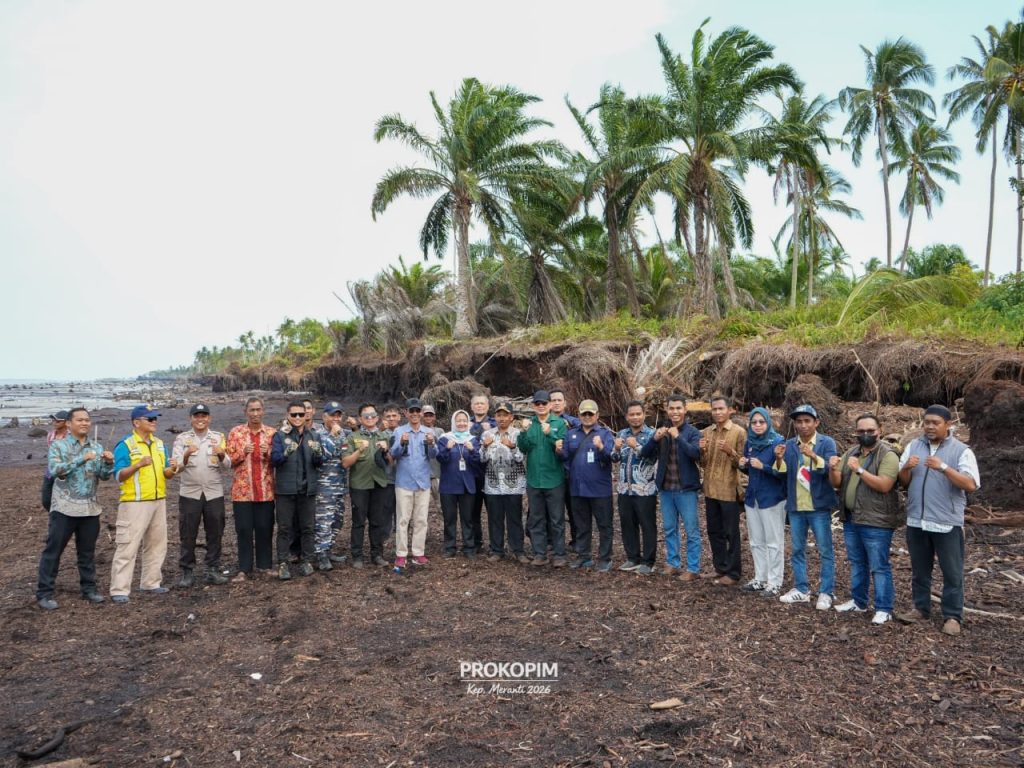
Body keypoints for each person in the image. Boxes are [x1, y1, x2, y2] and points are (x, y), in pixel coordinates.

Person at [896, 404, 980, 636]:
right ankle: (920, 608)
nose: (930, 427)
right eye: (927, 422)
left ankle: (952, 616)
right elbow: (904, 481)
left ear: (948, 425)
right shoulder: (914, 446)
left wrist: (943, 467)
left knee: (952, 572)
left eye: (936, 423)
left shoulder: (961, 451)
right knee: (920, 570)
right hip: (917, 520)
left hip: (946, 522)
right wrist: (906, 468)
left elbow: (970, 484)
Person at [36, 407, 114, 609]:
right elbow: (55, 470)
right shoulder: (59, 446)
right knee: (54, 550)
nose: (84, 423)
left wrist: (108, 463)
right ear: (69, 424)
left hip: (90, 508)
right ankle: (44, 593)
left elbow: (103, 476)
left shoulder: (96, 447)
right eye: (79, 420)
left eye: (87, 420)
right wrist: (82, 458)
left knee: (87, 552)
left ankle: (89, 589)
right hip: (64, 507)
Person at [828, 413, 902, 625]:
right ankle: (859, 601)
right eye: (861, 431)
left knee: (879, 565)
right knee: (857, 562)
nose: (866, 434)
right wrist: (832, 468)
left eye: (870, 430)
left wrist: (859, 470)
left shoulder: (888, 455)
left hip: (876, 520)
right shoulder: (852, 452)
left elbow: (885, 485)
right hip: (852, 517)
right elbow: (836, 483)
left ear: (880, 431)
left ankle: (884, 608)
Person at [109, 405, 179, 603]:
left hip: (158, 499)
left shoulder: (159, 444)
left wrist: (173, 469)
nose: (154, 421)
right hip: (134, 502)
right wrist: (138, 465)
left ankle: (151, 582)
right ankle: (119, 589)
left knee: (157, 543)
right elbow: (118, 475)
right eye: (150, 419)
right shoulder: (126, 445)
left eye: (155, 418)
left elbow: (166, 473)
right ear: (136, 422)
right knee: (127, 546)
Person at [773, 404, 838, 610]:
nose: (803, 425)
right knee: (797, 549)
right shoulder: (790, 444)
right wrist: (779, 459)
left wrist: (813, 456)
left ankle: (826, 592)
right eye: (799, 421)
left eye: (807, 421)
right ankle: (801, 588)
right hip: (796, 506)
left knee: (825, 550)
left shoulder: (826, 443)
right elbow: (781, 473)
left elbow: (830, 468)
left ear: (816, 422)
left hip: (818, 506)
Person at [640, 394, 702, 578]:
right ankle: (673, 563)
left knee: (691, 530)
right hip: (666, 488)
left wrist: (679, 437)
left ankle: (693, 568)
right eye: (671, 408)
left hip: (686, 489)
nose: (675, 412)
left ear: (685, 410)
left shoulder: (692, 432)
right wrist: (654, 439)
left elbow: (696, 453)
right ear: (667, 410)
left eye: (678, 408)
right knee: (669, 528)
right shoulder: (663, 432)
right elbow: (644, 453)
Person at [171, 403, 230, 588]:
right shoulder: (182, 439)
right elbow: (176, 468)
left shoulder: (218, 437)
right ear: (191, 419)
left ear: (209, 418)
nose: (200, 419)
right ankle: (187, 571)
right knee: (188, 533)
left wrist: (222, 454)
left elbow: (228, 465)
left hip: (214, 492)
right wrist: (186, 455)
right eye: (196, 416)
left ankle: (212, 569)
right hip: (190, 493)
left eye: (204, 415)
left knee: (215, 532)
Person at [560, 400, 615, 572]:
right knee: (581, 525)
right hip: (578, 488)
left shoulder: (605, 434)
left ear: (597, 415)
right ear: (579, 415)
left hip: (600, 489)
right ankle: (584, 556)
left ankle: (605, 558)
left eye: (591, 414)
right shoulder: (571, 433)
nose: (587, 416)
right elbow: (565, 458)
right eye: (584, 414)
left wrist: (601, 447)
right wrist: (558, 450)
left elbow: (611, 457)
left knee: (604, 525)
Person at [271, 401, 324, 580]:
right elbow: (274, 460)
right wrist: (286, 453)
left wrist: (318, 454)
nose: (298, 417)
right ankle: (283, 563)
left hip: (307, 489)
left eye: (301, 414)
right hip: (286, 490)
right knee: (284, 528)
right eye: (294, 414)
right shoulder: (280, 436)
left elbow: (318, 463)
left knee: (308, 527)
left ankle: (307, 560)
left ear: (306, 415)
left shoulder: (314, 436)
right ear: (288, 415)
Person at [226, 398, 277, 581]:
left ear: (263, 411)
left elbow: (279, 460)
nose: (255, 413)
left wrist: (268, 453)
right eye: (252, 410)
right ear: (245, 412)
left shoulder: (272, 433)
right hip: (242, 491)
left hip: (265, 490)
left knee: (265, 528)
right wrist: (243, 452)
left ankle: (265, 566)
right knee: (243, 529)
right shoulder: (236, 433)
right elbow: (228, 461)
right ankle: (244, 568)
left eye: (258, 410)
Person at [737, 408, 787, 597]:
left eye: (761, 422)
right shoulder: (750, 442)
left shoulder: (777, 442)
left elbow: (782, 472)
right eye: (754, 422)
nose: (757, 425)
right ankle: (760, 577)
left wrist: (763, 466)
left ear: (768, 423)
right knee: (756, 540)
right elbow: (750, 470)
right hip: (753, 497)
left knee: (774, 541)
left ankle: (774, 582)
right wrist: (743, 465)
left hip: (772, 498)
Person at [699, 395, 747, 586]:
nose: (717, 412)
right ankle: (720, 567)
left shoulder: (739, 432)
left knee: (731, 533)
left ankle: (733, 573)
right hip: (710, 489)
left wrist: (730, 452)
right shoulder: (706, 432)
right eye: (714, 409)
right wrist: (702, 451)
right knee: (714, 531)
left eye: (721, 409)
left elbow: (743, 463)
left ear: (730, 410)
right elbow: (703, 463)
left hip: (729, 490)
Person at [517, 390, 569, 567]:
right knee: (536, 518)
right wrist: (523, 432)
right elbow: (523, 448)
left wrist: (550, 434)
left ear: (550, 405)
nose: (541, 406)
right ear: (533, 406)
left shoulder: (559, 423)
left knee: (557, 519)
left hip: (554, 479)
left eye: (544, 403)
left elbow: (563, 448)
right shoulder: (529, 424)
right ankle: (540, 554)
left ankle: (559, 554)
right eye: (537, 403)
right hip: (534, 480)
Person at [341, 403, 391, 568]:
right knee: (358, 522)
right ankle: (357, 556)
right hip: (359, 485)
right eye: (366, 416)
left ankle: (377, 555)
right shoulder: (352, 437)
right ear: (360, 419)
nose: (370, 418)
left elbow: (392, 462)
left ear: (377, 418)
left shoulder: (384, 436)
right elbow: (345, 463)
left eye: (373, 415)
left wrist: (386, 451)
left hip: (379, 483)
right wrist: (359, 450)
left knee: (377, 521)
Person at [611, 400, 658, 576]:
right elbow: (614, 459)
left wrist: (636, 446)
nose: (635, 417)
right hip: (625, 488)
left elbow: (652, 458)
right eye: (632, 414)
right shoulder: (622, 433)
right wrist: (616, 448)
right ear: (627, 417)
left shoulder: (651, 434)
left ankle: (648, 561)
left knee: (647, 524)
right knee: (627, 523)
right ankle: (632, 558)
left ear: (644, 415)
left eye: (638, 414)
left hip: (645, 488)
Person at [390, 398, 438, 568]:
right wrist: (402, 443)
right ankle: (401, 554)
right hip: (404, 482)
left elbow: (434, 455)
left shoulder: (428, 432)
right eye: (412, 411)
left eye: (418, 411)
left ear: (422, 413)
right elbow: (393, 454)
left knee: (421, 520)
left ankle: (418, 552)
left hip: (423, 482)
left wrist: (431, 444)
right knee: (403, 520)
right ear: (406, 413)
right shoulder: (399, 431)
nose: (415, 414)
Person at [480, 403, 528, 563]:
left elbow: (521, 458)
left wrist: (512, 447)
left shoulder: (518, 434)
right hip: (493, 484)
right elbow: (482, 459)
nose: (501, 418)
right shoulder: (487, 434)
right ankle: (497, 550)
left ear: (511, 417)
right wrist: (484, 446)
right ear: (495, 417)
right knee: (495, 518)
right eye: (498, 415)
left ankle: (518, 550)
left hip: (513, 484)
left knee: (515, 519)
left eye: (505, 415)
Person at [438, 410, 482, 558]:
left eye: (464, 420)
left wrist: (472, 450)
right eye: (458, 421)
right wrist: (447, 448)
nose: (461, 423)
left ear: (468, 423)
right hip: (448, 485)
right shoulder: (444, 439)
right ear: (453, 422)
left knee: (467, 518)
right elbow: (441, 459)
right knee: (449, 519)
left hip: (467, 485)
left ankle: (469, 547)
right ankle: (450, 547)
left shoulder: (473, 440)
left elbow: (478, 462)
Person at [312, 401, 349, 571]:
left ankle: (328, 549)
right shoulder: (317, 435)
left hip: (340, 485)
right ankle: (321, 554)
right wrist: (333, 436)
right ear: (324, 416)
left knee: (337, 520)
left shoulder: (343, 433)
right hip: (324, 487)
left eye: (338, 415)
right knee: (323, 522)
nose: (336, 418)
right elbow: (321, 457)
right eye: (333, 415)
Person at [549, 388, 579, 552]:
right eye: (553, 400)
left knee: (573, 508)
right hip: (550, 472)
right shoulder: (544, 422)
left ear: (565, 403)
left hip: (570, 472)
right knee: (552, 510)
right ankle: (551, 541)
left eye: (559, 400)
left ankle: (577, 540)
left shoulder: (574, 422)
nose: (556, 403)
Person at [468, 393, 496, 553]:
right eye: (476, 403)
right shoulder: (465, 423)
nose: (479, 406)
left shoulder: (494, 423)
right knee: (473, 511)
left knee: (493, 511)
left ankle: (495, 545)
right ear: (472, 407)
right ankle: (476, 542)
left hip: (491, 472)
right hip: (472, 473)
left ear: (487, 406)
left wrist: (490, 431)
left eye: (482, 403)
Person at [41, 410, 69, 512]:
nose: (55, 423)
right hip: (51, 469)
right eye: (54, 420)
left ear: (66, 422)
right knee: (46, 499)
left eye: (58, 421)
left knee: (65, 496)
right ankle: (53, 512)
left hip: (66, 470)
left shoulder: (71, 436)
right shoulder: (50, 435)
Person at [381, 403, 401, 539]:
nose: (391, 418)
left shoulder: (405, 432)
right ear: (383, 418)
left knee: (402, 512)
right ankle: (385, 538)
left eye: (394, 415)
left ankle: (401, 538)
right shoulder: (380, 434)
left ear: (399, 417)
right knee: (386, 510)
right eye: (388, 416)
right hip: (386, 478)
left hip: (403, 479)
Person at [422, 404, 444, 508]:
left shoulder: (440, 431)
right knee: (422, 506)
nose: (428, 418)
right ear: (422, 416)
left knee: (441, 503)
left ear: (434, 417)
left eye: (430, 415)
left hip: (437, 473)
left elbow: (443, 449)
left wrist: (434, 440)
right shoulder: (417, 431)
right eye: (426, 415)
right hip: (422, 474)